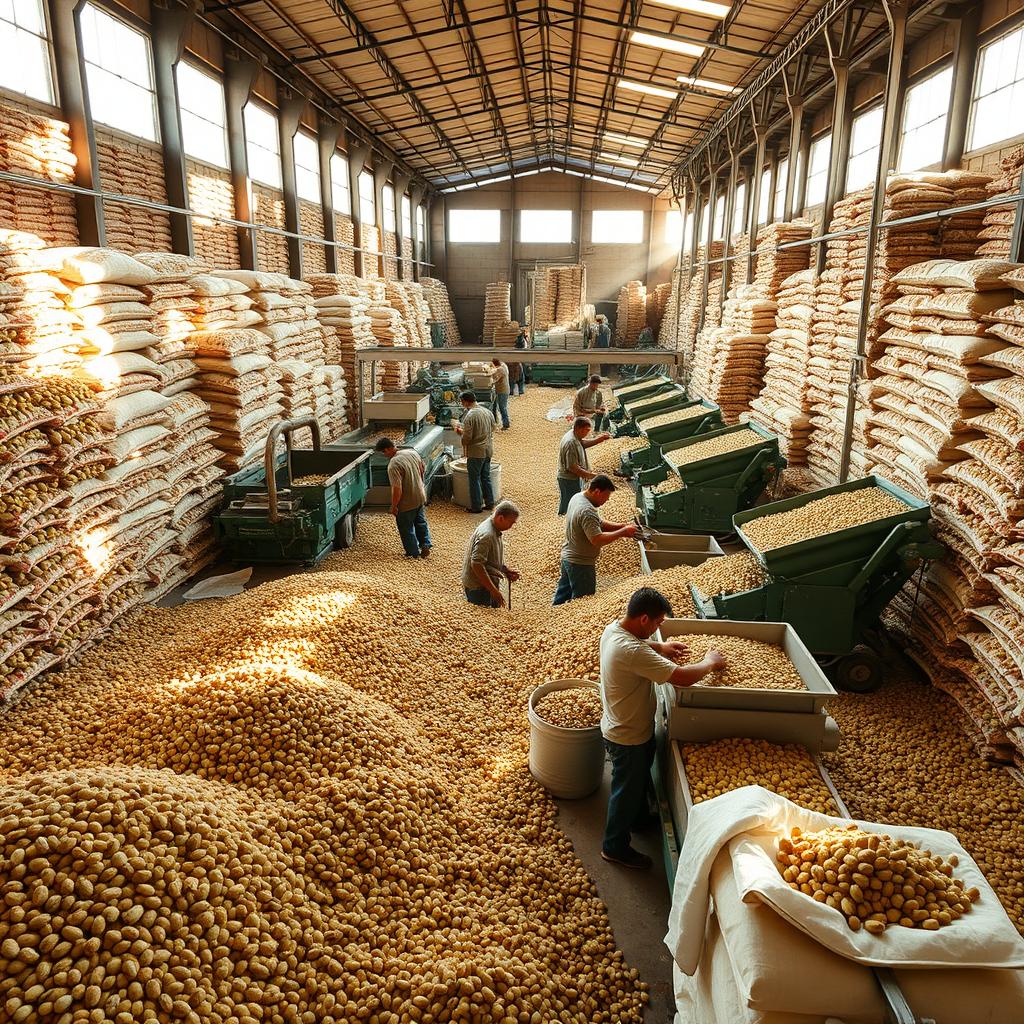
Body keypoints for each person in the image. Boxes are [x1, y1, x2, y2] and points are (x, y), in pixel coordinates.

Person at [600, 587, 725, 870]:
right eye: (657, 623)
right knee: (625, 790)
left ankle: (639, 818)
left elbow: (637, 646)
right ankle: (614, 846)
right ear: (644, 619)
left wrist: (661, 647)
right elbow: (681, 678)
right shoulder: (631, 651)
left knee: (637, 782)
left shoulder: (614, 630)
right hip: (627, 737)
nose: (658, 629)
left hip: (624, 725)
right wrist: (709, 663)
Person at [553, 475, 636, 605]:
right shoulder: (587, 511)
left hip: (568, 558)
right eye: (606, 496)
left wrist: (621, 526)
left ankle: (553, 620)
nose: (606, 500)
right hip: (580, 564)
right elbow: (597, 539)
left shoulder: (578, 497)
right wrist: (623, 532)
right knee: (583, 602)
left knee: (562, 597)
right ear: (597, 491)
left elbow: (598, 523)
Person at [375, 438, 431, 559]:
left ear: (388, 449)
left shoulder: (393, 464)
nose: (385, 456)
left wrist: (394, 506)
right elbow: (422, 469)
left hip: (406, 502)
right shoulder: (412, 452)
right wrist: (419, 485)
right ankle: (425, 544)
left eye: (384, 452)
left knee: (406, 527)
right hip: (420, 495)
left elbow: (397, 488)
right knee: (420, 522)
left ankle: (413, 553)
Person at [462, 501, 521, 607]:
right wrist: (493, 591)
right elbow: (476, 564)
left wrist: (505, 570)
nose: (511, 526)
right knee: (483, 619)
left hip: (485, 585)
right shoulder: (487, 535)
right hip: (479, 588)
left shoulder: (494, 528)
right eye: (511, 522)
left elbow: (489, 559)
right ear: (501, 518)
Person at [557, 416, 611, 515]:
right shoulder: (570, 442)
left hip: (573, 478)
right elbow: (573, 467)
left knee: (569, 500)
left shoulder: (574, 435)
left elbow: (582, 443)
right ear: (578, 428)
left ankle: (565, 519)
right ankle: (563, 521)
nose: (587, 433)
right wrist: (593, 476)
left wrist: (599, 439)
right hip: (569, 479)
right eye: (586, 430)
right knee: (569, 502)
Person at [453, 391, 496, 513]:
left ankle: (476, 507)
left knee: (474, 479)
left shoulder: (470, 416)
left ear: (466, 401)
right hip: (488, 449)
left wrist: (459, 432)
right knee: (485, 477)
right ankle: (490, 503)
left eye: (462, 402)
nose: (462, 404)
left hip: (476, 452)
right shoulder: (487, 411)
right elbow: (493, 428)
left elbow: (467, 438)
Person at [491, 358, 511, 429]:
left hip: (502, 390)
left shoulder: (500, 369)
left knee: (502, 407)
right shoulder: (504, 365)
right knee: (501, 407)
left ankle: (506, 424)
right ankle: (500, 422)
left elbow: (495, 379)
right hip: (504, 389)